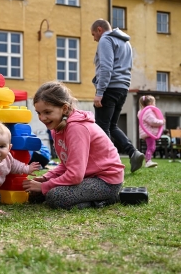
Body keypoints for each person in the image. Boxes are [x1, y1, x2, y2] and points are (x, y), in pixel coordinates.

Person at [22, 81, 125, 209]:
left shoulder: (77, 128)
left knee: (55, 197)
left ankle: (108, 199)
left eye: (47, 112)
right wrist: (44, 178)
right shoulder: (57, 127)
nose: (42, 118)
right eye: (38, 113)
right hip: (85, 177)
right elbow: (66, 164)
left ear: (64, 108)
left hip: (105, 182)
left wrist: (45, 186)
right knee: (34, 195)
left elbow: (75, 176)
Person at [91, 19, 144, 173]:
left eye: (94, 34)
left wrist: (99, 92)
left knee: (102, 127)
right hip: (123, 88)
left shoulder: (105, 40)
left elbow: (106, 68)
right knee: (112, 126)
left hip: (109, 87)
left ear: (100, 29)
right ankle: (133, 152)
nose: (94, 38)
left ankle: (108, 164)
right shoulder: (125, 42)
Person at [138, 95, 165, 168]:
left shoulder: (143, 111)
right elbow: (153, 121)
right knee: (151, 147)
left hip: (148, 133)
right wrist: (161, 122)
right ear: (150, 103)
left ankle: (149, 161)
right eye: (154, 102)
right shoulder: (148, 111)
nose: (155, 104)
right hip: (149, 133)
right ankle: (148, 161)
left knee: (151, 147)